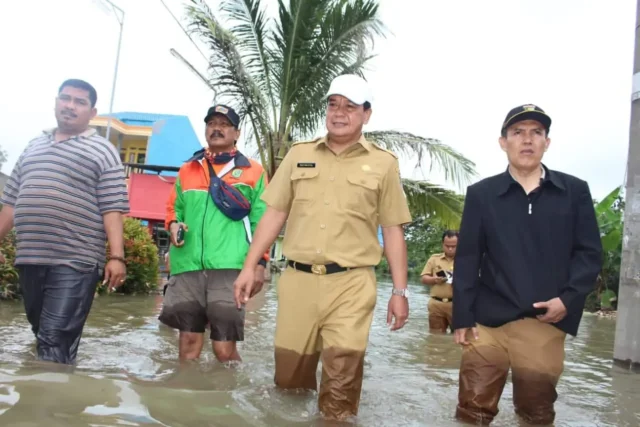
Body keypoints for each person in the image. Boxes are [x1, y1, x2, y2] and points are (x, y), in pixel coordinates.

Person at [232, 74, 412, 421]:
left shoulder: (383, 164)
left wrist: (400, 291)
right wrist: (248, 266)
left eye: (350, 106)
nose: (339, 113)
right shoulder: (299, 155)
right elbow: (274, 214)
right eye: (333, 104)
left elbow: (392, 229)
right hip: (298, 281)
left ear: (367, 115)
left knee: (341, 386)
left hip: (352, 284)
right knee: (289, 383)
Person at [452, 104, 602, 425]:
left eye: (536, 132)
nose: (527, 140)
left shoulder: (574, 191)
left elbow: (589, 254)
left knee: (535, 414)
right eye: (517, 132)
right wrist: (462, 317)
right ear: (503, 142)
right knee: (472, 410)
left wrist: (568, 300)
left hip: (544, 322)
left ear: (547, 142)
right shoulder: (482, 194)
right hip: (486, 323)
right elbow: (467, 259)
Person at [0, 79, 129, 365]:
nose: (70, 106)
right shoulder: (33, 146)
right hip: (30, 258)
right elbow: (10, 202)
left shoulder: (102, 150)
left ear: (92, 112)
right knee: (44, 335)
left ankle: (46, 403)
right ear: (56, 102)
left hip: (75, 261)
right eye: (65, 98)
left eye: (79, 102)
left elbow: (112, 208)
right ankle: (55, 399)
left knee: (54, 337)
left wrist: (117, 257)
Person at [159, 104, 270, 363]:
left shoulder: (254, 172)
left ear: (236, 133)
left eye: (224, 124)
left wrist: (260, 264)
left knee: (224, 349)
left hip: (230, 268)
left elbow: (262, 221)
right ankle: (185, 396)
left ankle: (228, 397)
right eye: (211, 124)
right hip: (187, 267)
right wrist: (173, 224)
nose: (216, 129)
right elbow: (173, 208)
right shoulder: (188, 169)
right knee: (187, 344)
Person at [420, 230, 458, 333]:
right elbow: (423, 278)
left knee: (459, 337)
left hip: (457, 305)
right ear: (442, 244)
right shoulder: (434, 259)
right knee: (435, 336)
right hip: (436, 304)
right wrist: (435, 280)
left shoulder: (465, 260)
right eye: (447, 245)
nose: (450, 249)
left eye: (454, 246)